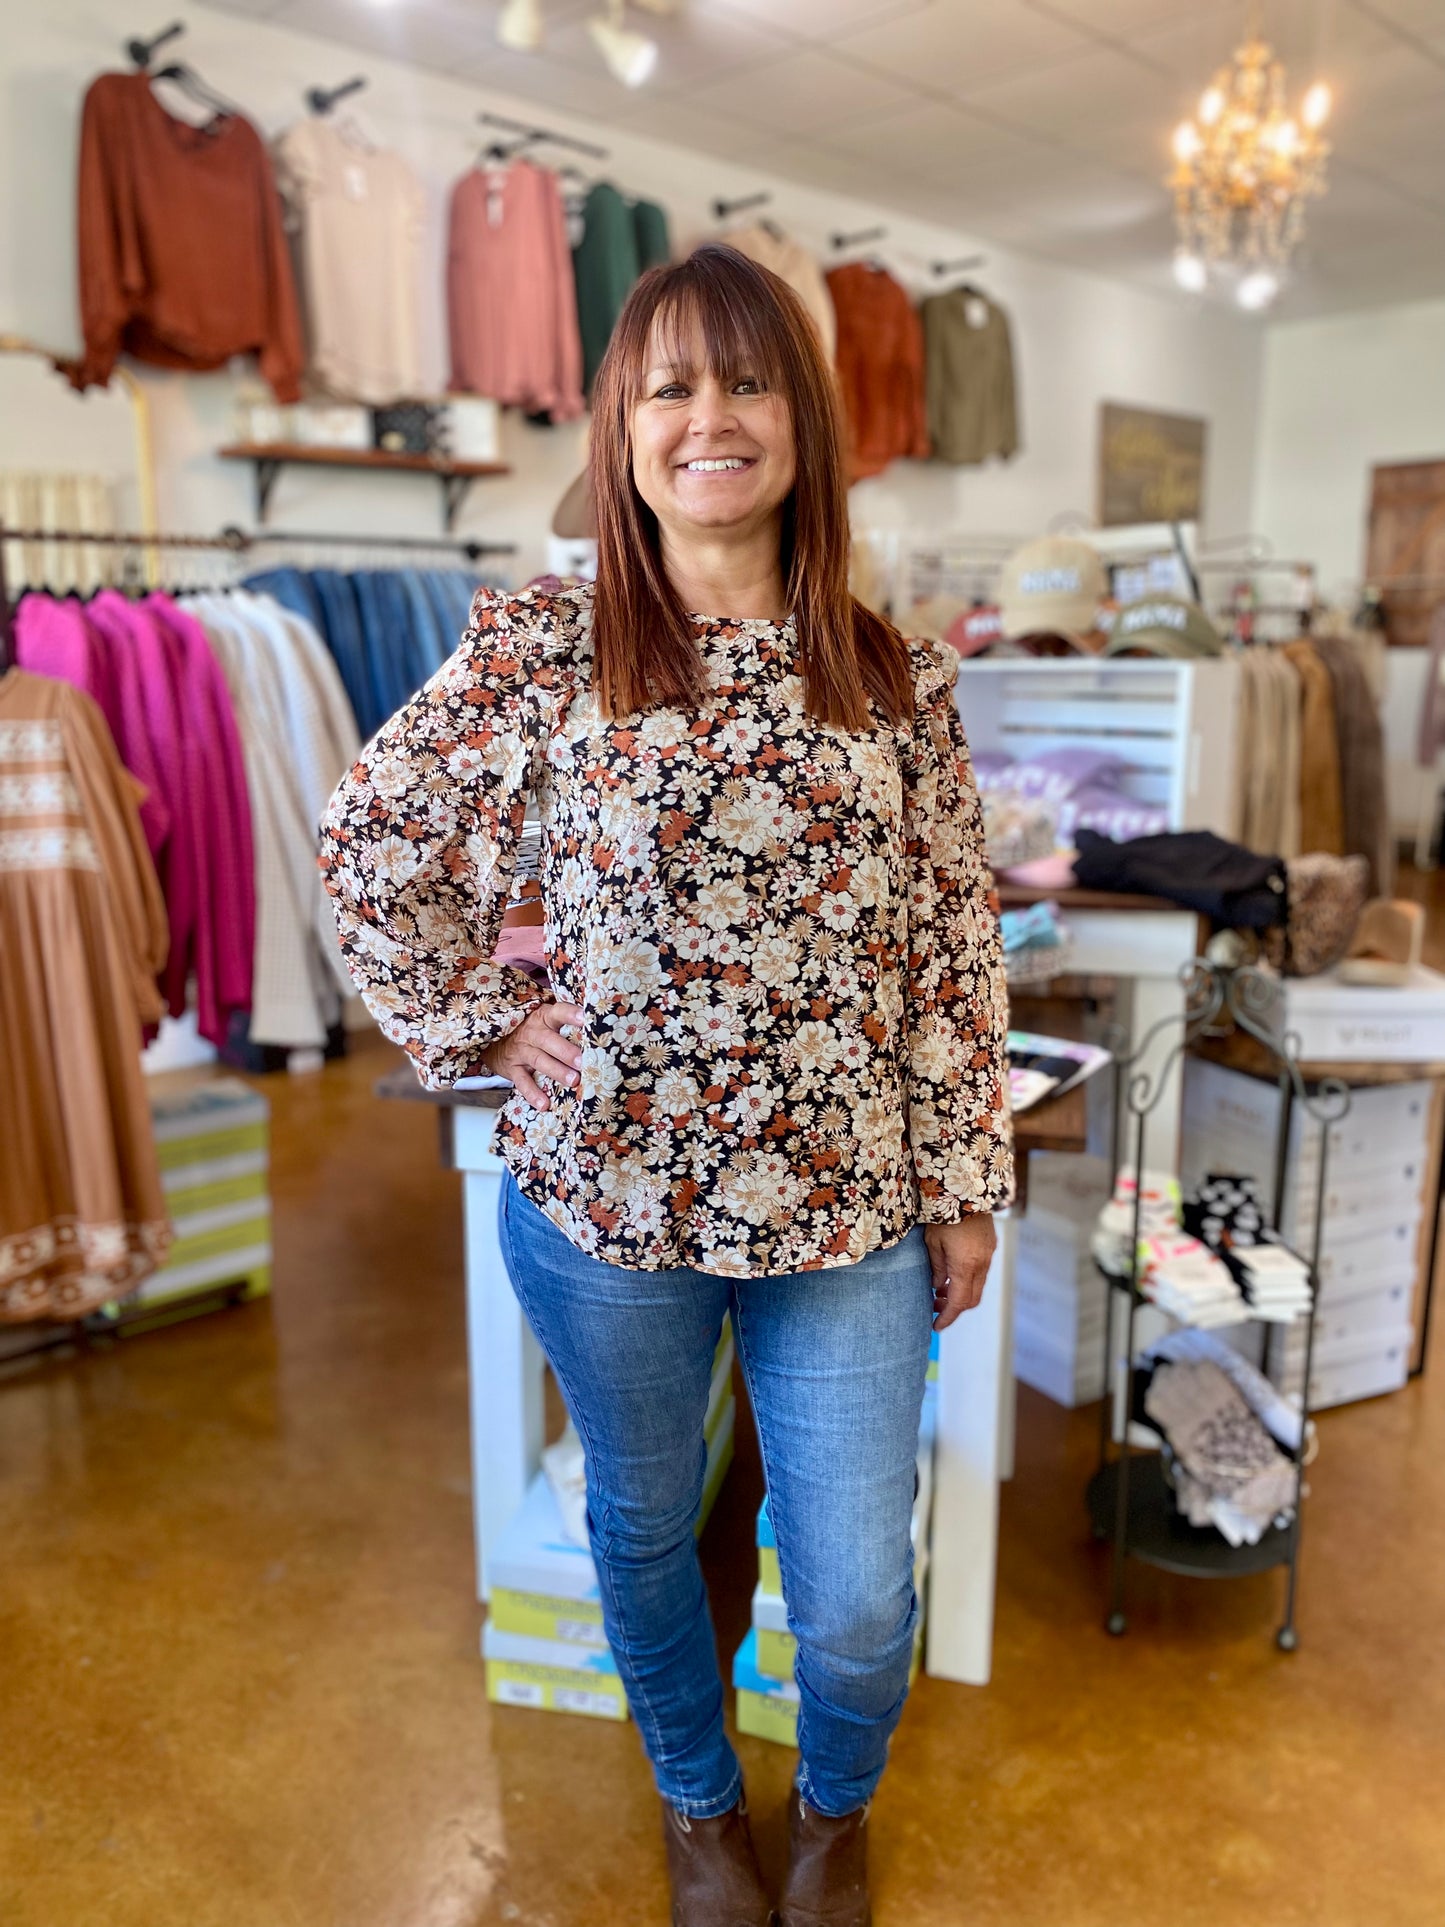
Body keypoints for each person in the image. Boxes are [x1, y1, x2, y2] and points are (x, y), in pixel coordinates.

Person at [319, 242, 1013, 1927]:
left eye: (749, 379)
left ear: (804, 420)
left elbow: (947, 945)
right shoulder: (541, 652)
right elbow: (366, 848)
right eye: (669, 384)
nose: (711, 417)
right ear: (624, 428)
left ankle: (832, 1816)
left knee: (855, 1590)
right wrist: (480, 1022)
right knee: (641, 1528)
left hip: (845, 1207)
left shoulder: (891, 675)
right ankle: (701, 1812)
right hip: (605, 1200)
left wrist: (965, 1176)